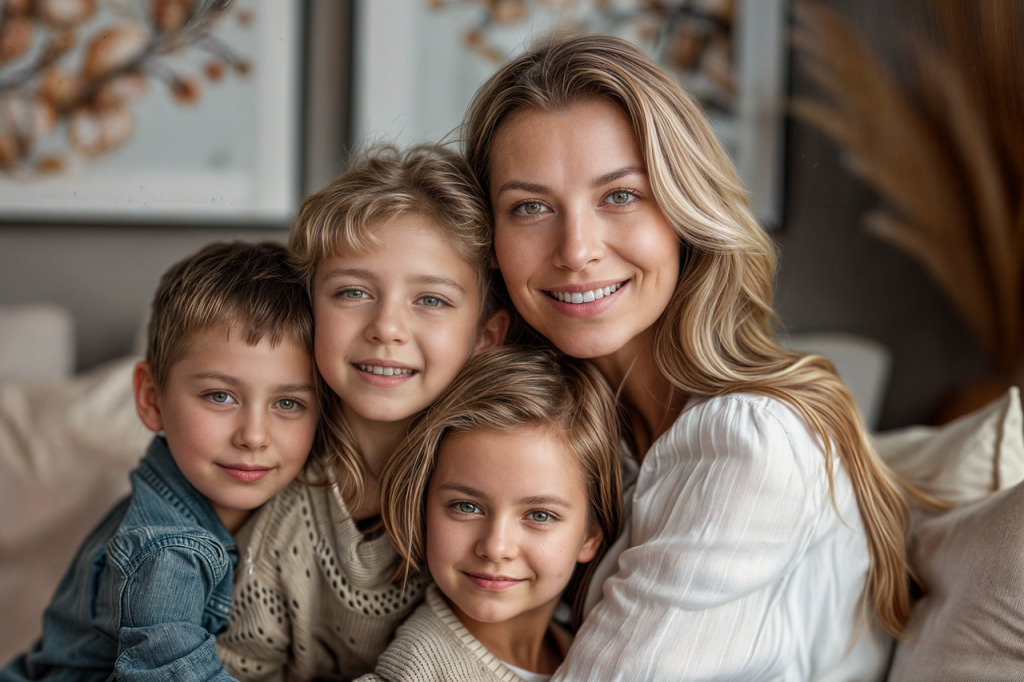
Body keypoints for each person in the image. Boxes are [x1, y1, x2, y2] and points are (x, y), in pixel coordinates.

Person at [462, 34, 930, 680]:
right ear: (491, 241)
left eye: (620, 196)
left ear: (684, 212)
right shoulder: (593, 439)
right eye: (531, 207)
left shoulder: (750, 444)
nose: (576, 249)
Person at [216, 145, 510, 680]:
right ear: (309, 311)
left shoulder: (496, 491)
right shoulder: (259, 473)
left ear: (485, 338)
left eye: (432, 300)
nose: (387, 328)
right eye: (353, 291)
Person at [0, 242, 319, 682]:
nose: (254, 436)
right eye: (220, 396)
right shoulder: (166, 553)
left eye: (287, 402)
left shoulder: (289, 508)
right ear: (151, 399)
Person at [356, 347, 622, 682]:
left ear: (590, 535)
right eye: (466, 507)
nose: (495, 547)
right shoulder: (410, 674)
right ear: (423, 508)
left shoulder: (598, 653)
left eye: (539, 515)